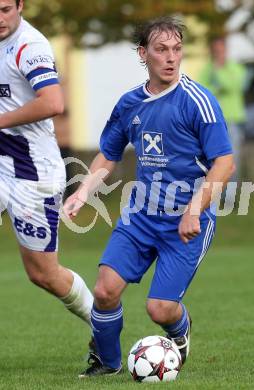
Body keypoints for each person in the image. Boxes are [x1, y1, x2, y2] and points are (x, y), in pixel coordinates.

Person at [64, 16, 235, 378]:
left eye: (177, 49)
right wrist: (82, 193)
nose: (171, 57)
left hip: (187, 221)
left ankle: (180, 328)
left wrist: (193, 210)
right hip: (141, 215)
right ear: (144, 54)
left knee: (160, 309)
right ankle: (107, 364)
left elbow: (225, 163)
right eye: (161, 50)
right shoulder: (130, 104)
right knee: (106, 289)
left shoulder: (197, 101)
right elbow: (109, 154)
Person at [0, 0, 93, 337]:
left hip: (32, 172)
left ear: (21, 6)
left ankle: (104, 323)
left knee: (43, 274)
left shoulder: (30, 45)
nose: (0, 17)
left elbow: (53, 102)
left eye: (6, 9)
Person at [198, 36, 245, 180]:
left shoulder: (235, 67)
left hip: (232, 120)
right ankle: (215, 194)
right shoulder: (207, 68)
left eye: (221, 50)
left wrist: (218, 72)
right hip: (212, 120)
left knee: (231, 160)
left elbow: (233, 86)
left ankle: (229, 197)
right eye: (215, 51)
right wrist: (217, 86)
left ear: (226, 50)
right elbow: (202, 90)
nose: (218, 53)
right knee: (213, 160)